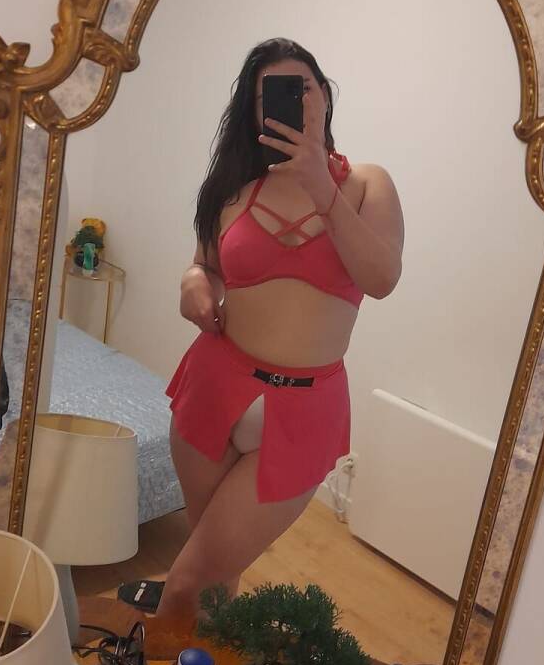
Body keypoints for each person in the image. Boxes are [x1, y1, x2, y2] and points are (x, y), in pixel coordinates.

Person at [155, 38, 404, 624]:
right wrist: (193, 282)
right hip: (215, 386)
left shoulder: (367, 184)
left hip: (304, 412)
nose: (293, 102)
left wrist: (321, 185)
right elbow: (204, 265)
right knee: (214, 571)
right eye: (270, 95)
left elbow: (381, 278)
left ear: (324, 98)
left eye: (303, 88)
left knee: (187, 580)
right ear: (254, 110)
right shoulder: (232, 187)